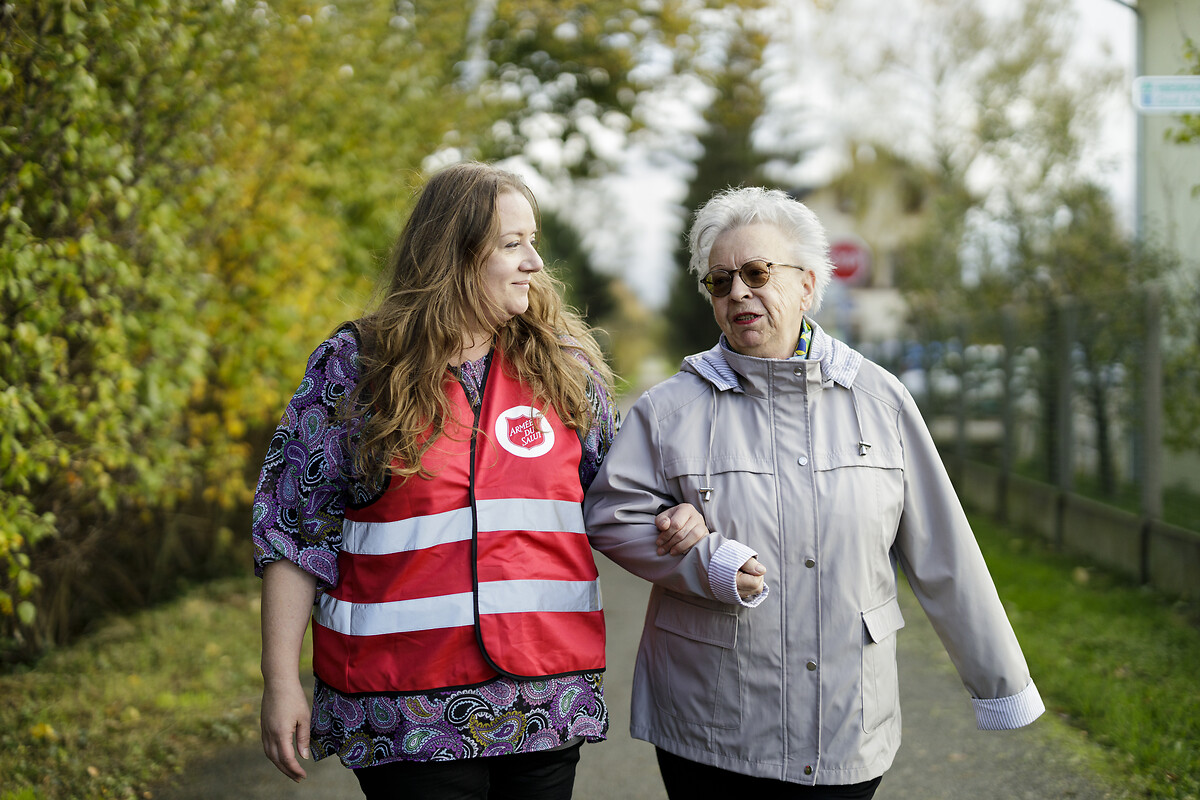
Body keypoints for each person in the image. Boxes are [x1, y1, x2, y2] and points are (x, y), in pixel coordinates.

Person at [252, 161, 706, 799]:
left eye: (533, 242)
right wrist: (280, 682)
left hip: (544, 699)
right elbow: (292, 531)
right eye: (512, 244)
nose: (535, 263)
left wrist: (676, 513)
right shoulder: (356, 367)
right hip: (403, 708)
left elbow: (618, 499)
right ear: (455, 255)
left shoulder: (565, 369)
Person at [583, 186, 1045, 799]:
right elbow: (612, 515)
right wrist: (706, 559)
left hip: (846, 719)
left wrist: (1001, 683)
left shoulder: (880, 401)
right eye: (720, 281)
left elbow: (945, 551)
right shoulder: (669, 410)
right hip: (711, 721)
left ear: (806, 285)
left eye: (756, 273)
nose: (738, 292)